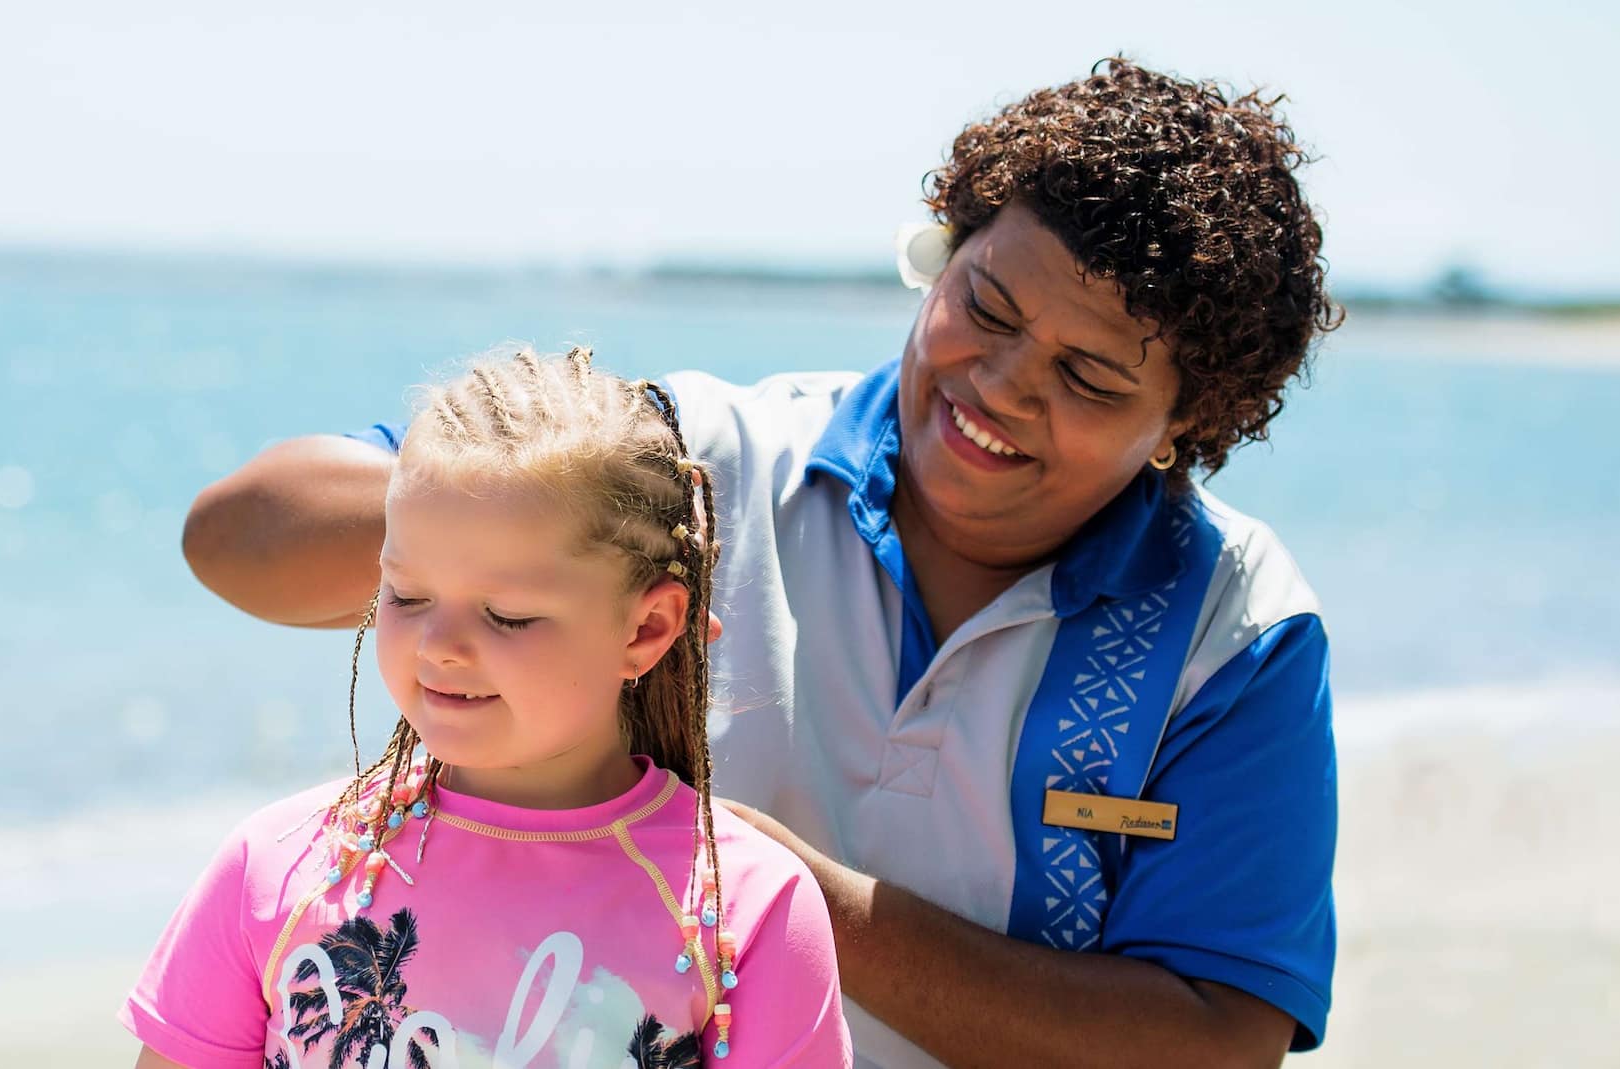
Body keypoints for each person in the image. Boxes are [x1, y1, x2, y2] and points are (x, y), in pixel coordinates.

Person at [181, 59, 1341, 1068]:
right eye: (982, 306)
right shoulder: (691, 467)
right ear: (938, 256)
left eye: (1087, 379)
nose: (1000, 386)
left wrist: (763, 890)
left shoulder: (1236, 635)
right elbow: (237, 541)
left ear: (1194, 421)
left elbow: (1211, 1042)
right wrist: (523, 523)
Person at [123, 349, 852, 1069]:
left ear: (646, 628)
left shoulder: (748, 909)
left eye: (506, 614)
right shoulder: (279, 865)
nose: (440, 645)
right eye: (406, 595)